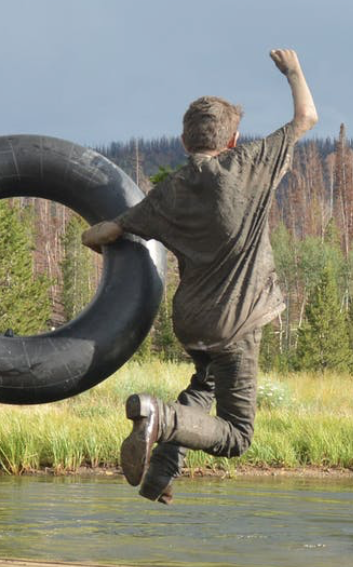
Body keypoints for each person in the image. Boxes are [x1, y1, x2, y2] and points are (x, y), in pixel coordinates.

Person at [82, 49, 317, 505]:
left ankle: (160, 475)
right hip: (237, 324)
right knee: (237, 436)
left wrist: (92, 238)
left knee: (204, 385)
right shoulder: (249, 164)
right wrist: (293, 71)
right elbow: (306, 116)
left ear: (184, 142)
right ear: (232, 141)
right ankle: (159, 417)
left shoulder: (168, 192)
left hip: (192, 323)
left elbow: (107, 232)